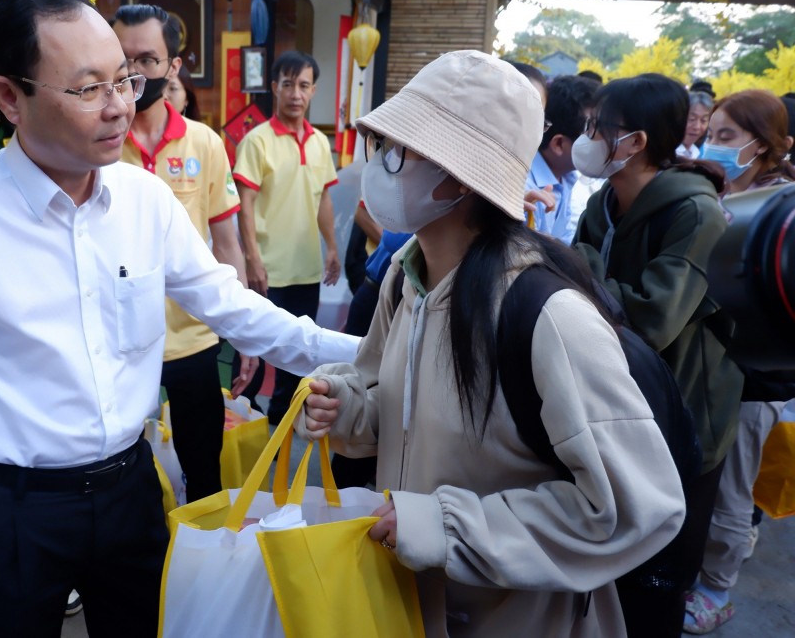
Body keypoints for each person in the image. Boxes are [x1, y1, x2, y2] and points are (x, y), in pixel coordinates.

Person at [0, 0, 358, 638]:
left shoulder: (143, 200)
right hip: (6, 510)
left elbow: (232, 307)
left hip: (129, 491)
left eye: (124, 81)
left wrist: (369, 351)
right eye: (87, 88)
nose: (119, 107)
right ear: (9, 97)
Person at [300, 51, 685, 637]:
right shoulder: (406, 279)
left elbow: (637, 504)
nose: (377, 165)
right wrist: (347, 405)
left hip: (518, 620)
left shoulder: (546, 316)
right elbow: (389, 401)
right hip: (406, 607)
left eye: (396, 150)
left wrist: (445, 528)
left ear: (456, 177)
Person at [572, 73, 743, 637]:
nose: (587, 136)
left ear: (636, 141)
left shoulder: (696, 214)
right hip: (614, 404)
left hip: (684, 417)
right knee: (609, 567)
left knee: (657, 581)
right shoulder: (604, 201)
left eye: (599, 126)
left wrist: (582, 274)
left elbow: (654, 319)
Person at [112, 3, 255, 502]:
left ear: (173, 67)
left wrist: (243, 333)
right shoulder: (96, 146)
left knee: (204, 475)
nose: (132, 72)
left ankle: (200, 571)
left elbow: (227, 243)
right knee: (120, 482)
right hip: (118, 344)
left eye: (147, 59)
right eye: (121, 57)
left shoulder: (205, 144)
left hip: (194, 340)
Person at [683, 89, 795, 634]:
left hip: (757, 383)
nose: (714, 146)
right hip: (713, 365)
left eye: (728, 137)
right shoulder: (723, 191)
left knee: (732, 490)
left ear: (770, 145)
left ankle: (716, 590)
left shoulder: (784, 210)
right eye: (712, 135)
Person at [231, 50, 341, 423]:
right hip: (268, 271)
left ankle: (281, 425)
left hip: (306, 270)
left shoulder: (319, 143)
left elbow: (323, 198)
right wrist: (253, 261)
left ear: (313, 90)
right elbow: (243, 205)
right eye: (289, 84)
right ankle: (241, 424)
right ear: (275, 87)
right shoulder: (257, 142)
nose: (296, 93)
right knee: (253, 358)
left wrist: (332, 248)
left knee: (299, 358)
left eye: (304, 85)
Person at [525, 74, 599, 243]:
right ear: (559, 144)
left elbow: (563, 243)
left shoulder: (565, 177)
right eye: (592, 131)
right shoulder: (527, 191)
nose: (604, 139)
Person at [677, 90, 714, 159]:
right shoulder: (666, 155)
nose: (697, 127)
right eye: (692, 119)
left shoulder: (699, 154)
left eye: (703, 120)